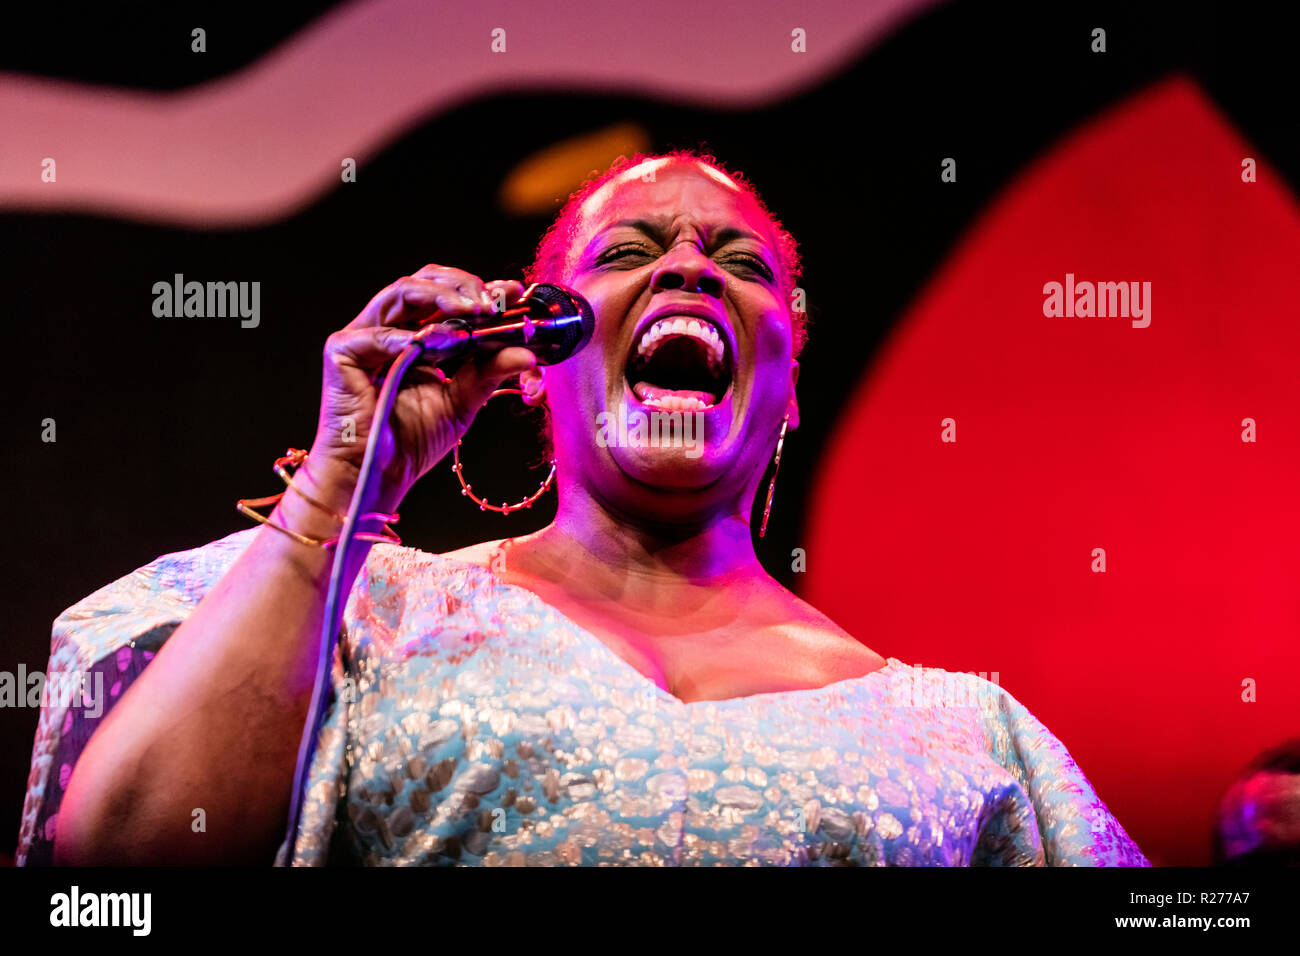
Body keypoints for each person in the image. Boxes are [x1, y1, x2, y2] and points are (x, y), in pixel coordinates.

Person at [18, 150, 1148, 866]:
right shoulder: (354, 614)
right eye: (631, 251)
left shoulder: (962, 735)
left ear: (787, 385)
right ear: (533, 359)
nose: (691, 271)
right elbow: (121, 867)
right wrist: (343, 476)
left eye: (738, 262)